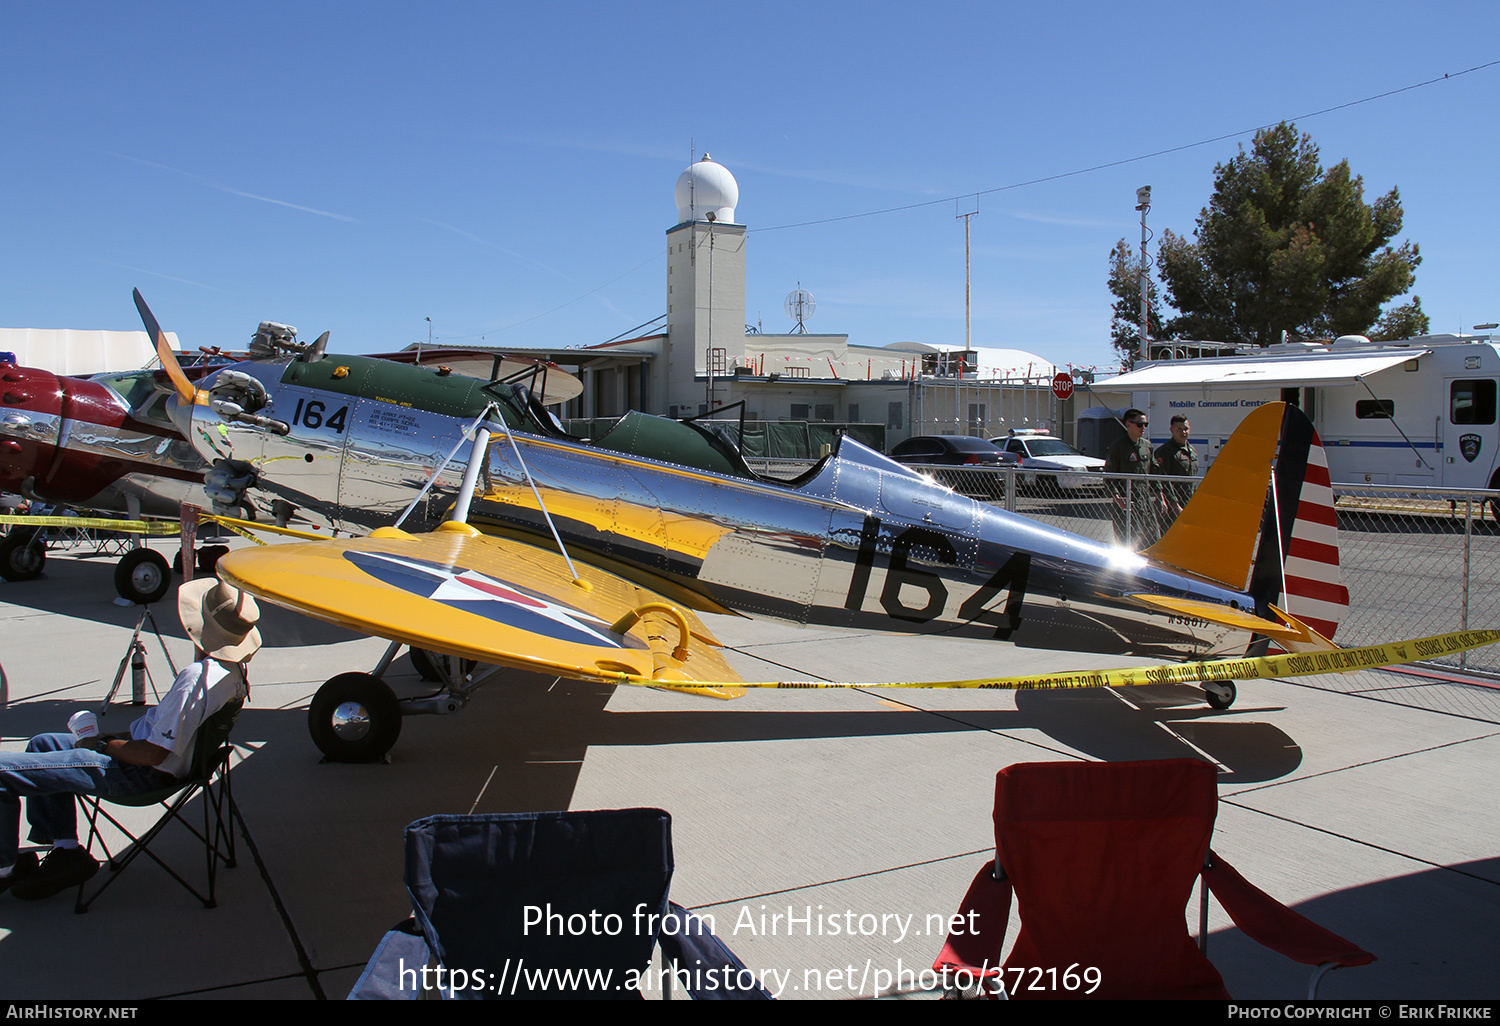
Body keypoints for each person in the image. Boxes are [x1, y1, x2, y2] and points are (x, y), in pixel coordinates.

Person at [0, 579, 259, 901]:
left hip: (139, 775)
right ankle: (66, 852)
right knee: (44, 743)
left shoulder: (198, 679)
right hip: (167, 766)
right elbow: (167, 735)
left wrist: (98, 744)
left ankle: (5, 869)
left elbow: (151, 753)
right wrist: (109, 739)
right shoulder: (233, 673)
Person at [1104, 409, 1159, 549]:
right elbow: (1109, 476)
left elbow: (1155, 473)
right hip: (1127, 501)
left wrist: (1160, 495)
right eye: (1140, 424)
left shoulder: (1147, 446)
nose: (1143, 428)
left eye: (1146, 424)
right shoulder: (1118, 447)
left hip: (1144, 500)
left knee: (1152, 537)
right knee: (1128, 541)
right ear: (1128, 424)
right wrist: (1117, 497)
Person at [1152, 414, 1200, 527]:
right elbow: (1163, 480)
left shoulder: (1192, 450)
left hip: (1189, 502)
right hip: (1171, 506)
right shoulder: (1165, 451)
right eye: (1179, 429)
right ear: (1171, 430)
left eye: (1186, 429)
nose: (1183, 432)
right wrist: (1174, 505)